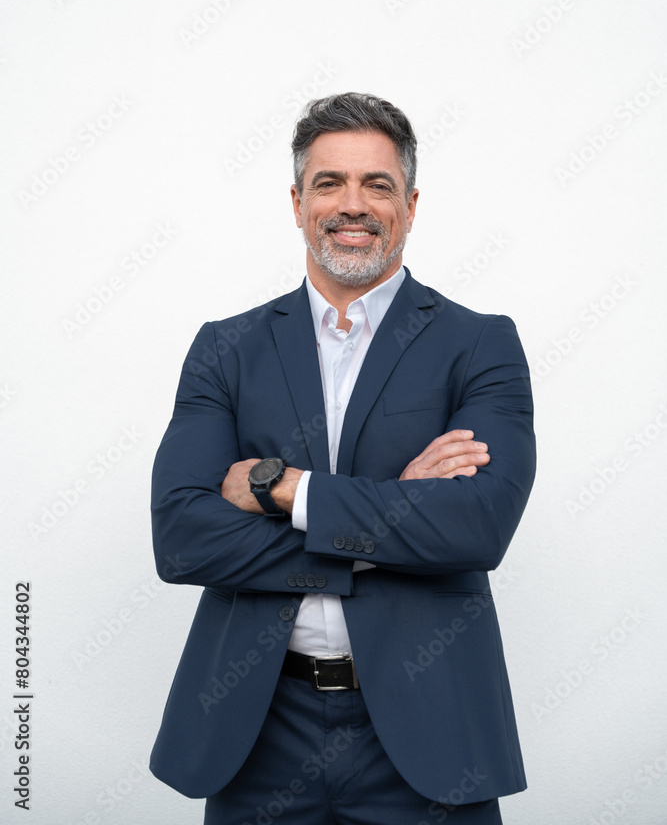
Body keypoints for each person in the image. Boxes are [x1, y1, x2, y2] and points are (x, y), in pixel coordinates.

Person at [150, 92, 536, 825]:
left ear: (411, 204)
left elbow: (476, 525)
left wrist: (281, 488)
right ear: (297, 202)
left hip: (430, 732)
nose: (351, 204)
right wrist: (388, 517)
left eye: (376, 184)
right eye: (329, 183)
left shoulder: (479, 344)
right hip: (258, 730)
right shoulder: (224, 349)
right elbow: (181, 536)